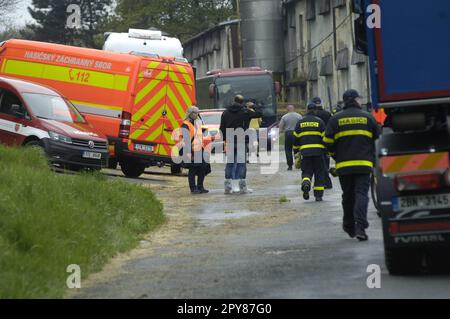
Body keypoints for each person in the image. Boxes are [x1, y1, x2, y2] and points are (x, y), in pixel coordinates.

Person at [323, 89, 380, 241]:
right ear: (355, 100)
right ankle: (361, 228)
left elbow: (327, 141)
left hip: (343, 166)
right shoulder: (367, 117)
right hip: (363, 164)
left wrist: (336, 155)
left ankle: (348, 225)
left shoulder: (336, 119)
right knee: (361, 195)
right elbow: (377, 138)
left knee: (348, 196)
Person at [220, 95, 262, 194]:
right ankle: (243, 188)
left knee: (229, 163)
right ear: (242, 102)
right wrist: (253, 106)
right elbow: (260, 113)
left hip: (230, 140)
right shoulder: (246, 112)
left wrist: (226, 140)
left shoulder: (225, 113)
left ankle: (227, 187)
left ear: (233, 101)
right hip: (241, 140)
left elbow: (222, 128)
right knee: (241, 163)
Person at [293, 102, 327, 202]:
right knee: (319, 173)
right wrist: (326, 151)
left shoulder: (300, 123)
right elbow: (324, 138)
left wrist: (296, 152)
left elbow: (295, 140)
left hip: (305, 153)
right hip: (318, 152)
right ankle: (318, 195)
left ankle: (306, 183)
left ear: (307, 110)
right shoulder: (320, 122)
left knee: (307, 171)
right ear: (315, 110)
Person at [179, 106, 211, 195]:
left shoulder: (197, 123)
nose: (197, 114)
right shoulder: (185, 124)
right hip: (191, 150)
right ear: (190, 114)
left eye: (197, 113)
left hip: (200, 149)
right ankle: (193, 188)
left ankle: (200, 187)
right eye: (195, 113)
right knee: (193, 169)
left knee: (203, 167)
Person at [312, 96, 333, 189]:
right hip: (326, 141)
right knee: (326, 163)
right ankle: (326, 181)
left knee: (318, 165)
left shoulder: (313, 116)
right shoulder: (327, 114)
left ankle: (323, 182)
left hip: (315, 142)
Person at [279, 105, 302, 171]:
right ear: (293, 109)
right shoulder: (299, 116)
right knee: (297, 148)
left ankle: (290, 165)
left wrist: (280, 133)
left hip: (288, 133)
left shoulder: (284, 117)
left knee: (288, 149)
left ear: (287, 109)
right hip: (297, 133)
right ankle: (298, 163)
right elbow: (301, 124)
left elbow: (281, 127)